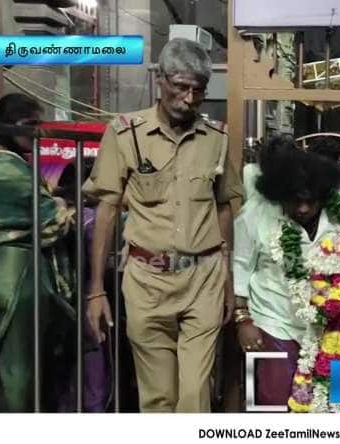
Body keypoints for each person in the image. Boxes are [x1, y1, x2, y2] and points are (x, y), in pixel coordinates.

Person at [82, 38, 243, 412]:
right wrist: (95, 290)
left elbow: (223, 210)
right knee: (158, 398)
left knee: (193, 396)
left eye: (198, 91)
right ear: (160, 80)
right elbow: (106, 209)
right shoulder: (125, 133)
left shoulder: (217, 139)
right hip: (145, 281)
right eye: (181, 87)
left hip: (202, 279)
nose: (189, 99)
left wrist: (227, 280)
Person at [232, 136, 340, 410]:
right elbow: (241, 265)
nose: (303, 208)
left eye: (310, 201)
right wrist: (243, 319)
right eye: (295, 200)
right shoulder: (255, 212)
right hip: (276, 320)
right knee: (273, 403)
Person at [0, 93, 76, 412]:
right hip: (16, 276)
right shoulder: (5, 169)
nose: (36, 132)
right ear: (7, 125)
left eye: (39, 124)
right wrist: (62, 207)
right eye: (29, 124)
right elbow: (52, 223)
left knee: (9, 367)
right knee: (18, 371)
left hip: (1, 272)